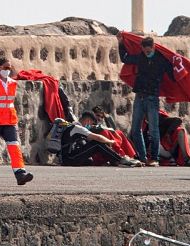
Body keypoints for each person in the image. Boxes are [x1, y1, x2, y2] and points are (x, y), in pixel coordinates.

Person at [117, 34, 175, 166]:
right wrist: (120, 43)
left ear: (153, 47)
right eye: (145, 50)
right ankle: (143, 158)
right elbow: (125, 58)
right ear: (142, 48)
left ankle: (154, 158)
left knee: (153, 130)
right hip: (140, 96)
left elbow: (173, 74)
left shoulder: (161, 60)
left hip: (152, 97)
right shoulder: (141, 57)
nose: (147, 52)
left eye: (149, 50)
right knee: (135, 129)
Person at [0, 58, 34, 186]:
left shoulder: (12, 83)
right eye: (5, 68)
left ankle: (20, 174)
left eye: (9, 68)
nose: (8, 70)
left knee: (14, 146)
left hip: (9, 121)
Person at [52, 112, 141, 167]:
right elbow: (97, 137)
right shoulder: (77, 128)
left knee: (94, 148)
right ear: (87, 120)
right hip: (69, 158)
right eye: (91, 123)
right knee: (97, 143)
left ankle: (117, 160)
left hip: (68, 157)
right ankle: (120, 160)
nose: (90, 125)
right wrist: (110, 141)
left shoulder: (72, 126)